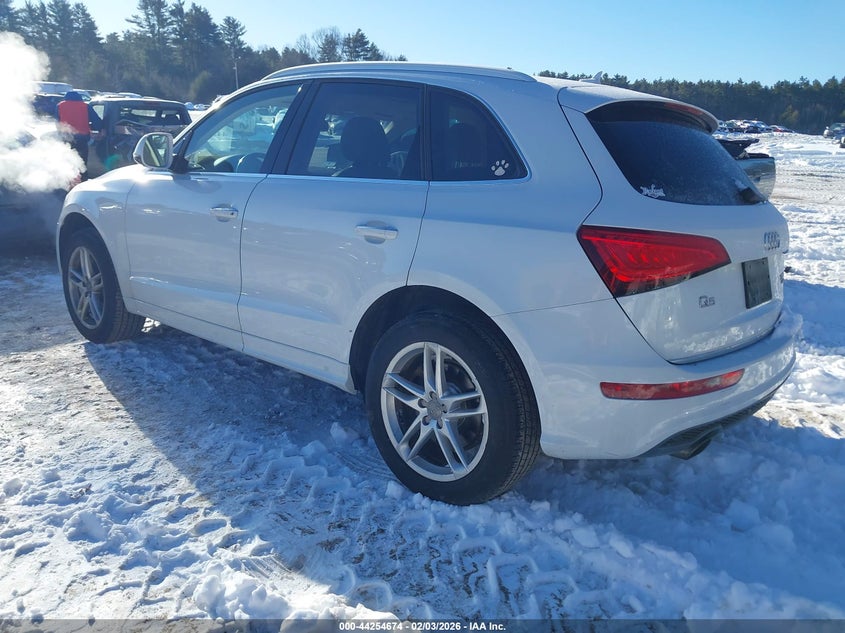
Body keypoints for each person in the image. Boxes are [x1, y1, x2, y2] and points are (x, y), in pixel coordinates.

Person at [57, 91, 102, 173]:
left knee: (67, 161)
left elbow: (57, 122)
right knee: (81, 162)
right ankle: (82, 180)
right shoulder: (85, 106)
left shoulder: (60, 106)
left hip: (66, 138)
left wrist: (60, 134)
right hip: (82, 138)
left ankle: (68, 180)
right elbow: (96, 121)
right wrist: (99, 130)